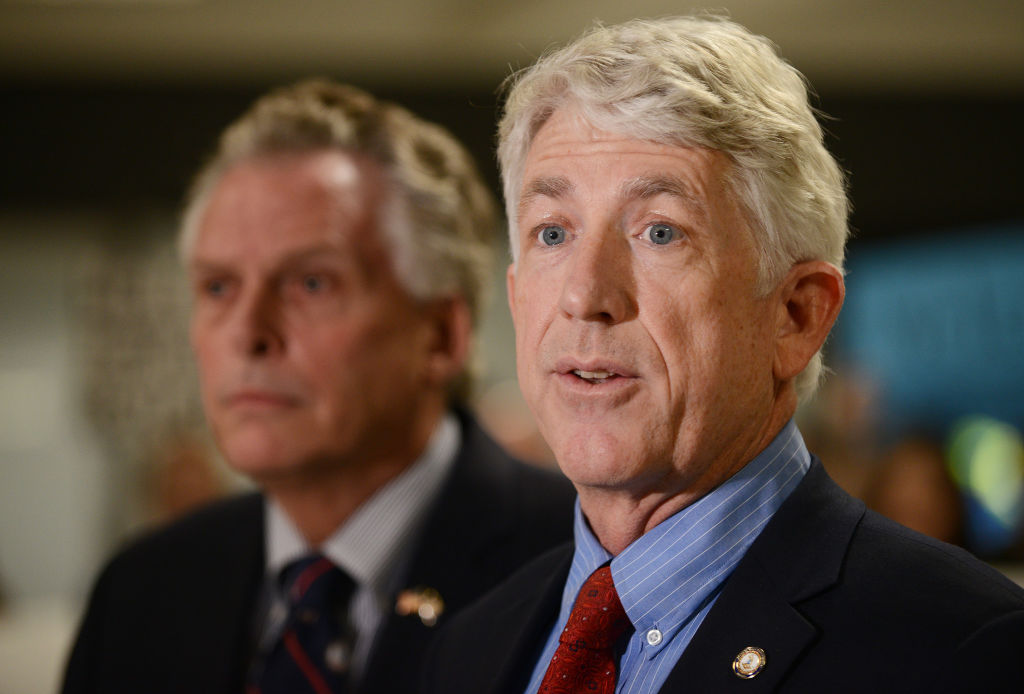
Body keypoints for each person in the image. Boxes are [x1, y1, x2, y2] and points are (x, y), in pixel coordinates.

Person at [423, 16, 1024, 694]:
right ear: (513, 294)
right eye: (553, 232)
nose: (585, 295)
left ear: (797, 315)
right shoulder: (468, 650)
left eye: (659, 231)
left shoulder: (966, 654)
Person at [61, 79, 575, 694]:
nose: (247, 334)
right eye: (218, 287)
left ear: (440, 335)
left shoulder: (580, 574)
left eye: (311, 284)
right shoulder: (143, 591)